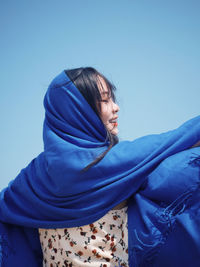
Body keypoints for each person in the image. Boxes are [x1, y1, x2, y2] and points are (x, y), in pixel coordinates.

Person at [0, 67, 200, 267]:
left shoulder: (30, 181)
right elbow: (178, 140)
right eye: (105, 100)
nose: (115, 107)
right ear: (77, 109)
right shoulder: (118, 162)